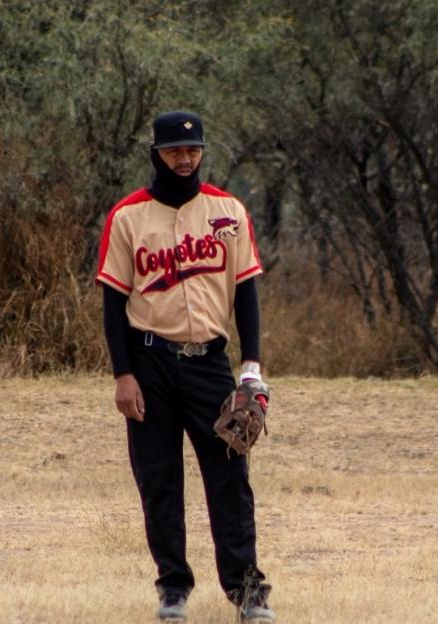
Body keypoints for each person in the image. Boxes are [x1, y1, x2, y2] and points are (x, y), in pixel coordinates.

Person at [95, 111, 275, 624]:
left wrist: (251, 367)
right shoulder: (128, 216)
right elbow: (112, 303)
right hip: (149, 361)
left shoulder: (228, 210)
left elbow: (246, 292)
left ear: (202, 152)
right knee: (159, 480)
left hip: (209, 363)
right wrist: (122, 374)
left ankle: (247, 592)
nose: (184, 157)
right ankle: (173, 588)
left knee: (230, 478)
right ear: (156, 152)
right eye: (174, 149)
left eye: (192, 150)